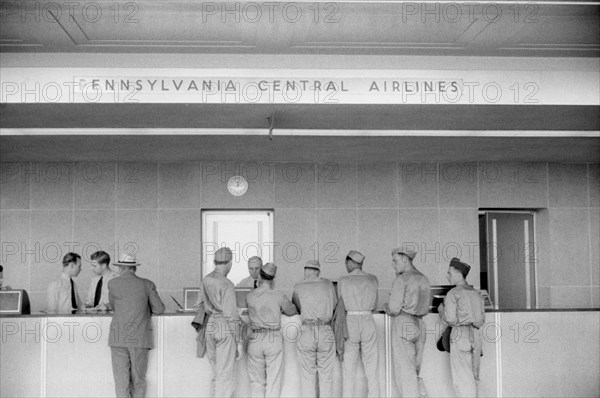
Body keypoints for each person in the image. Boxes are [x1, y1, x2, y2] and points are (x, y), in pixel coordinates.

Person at [108, 253, 165, 398]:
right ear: (135, 268)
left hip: (118, 337)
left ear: (121, 267)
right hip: (139, 337)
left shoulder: (113, 284)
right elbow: (159, 309)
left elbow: (114, 306)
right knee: (138, 379)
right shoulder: (147, 284)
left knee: (121, 381)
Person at [383, 246, 431, 398]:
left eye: (395, 260)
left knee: (405, 373)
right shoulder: (424, 278)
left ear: (405, 259)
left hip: (404, 323)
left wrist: (386, 305)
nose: (393, 264)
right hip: (420, 325)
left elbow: (394, 309)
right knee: (415, 369)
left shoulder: (401, 279)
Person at [245, 262, 298, 397]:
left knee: (256, 382)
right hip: (273, 338)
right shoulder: (279, 295)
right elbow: (292, 311)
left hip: (255, 339)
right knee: (273, 381)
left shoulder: (249, 296)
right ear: (273, 280)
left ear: (260, 277)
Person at [199, 247, 243, 398]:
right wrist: (238, 340)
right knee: (226, 375)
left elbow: (202, 305)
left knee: (216, 372)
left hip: (210, 325)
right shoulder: (227, 284)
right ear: (229, 263)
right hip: (224, 326)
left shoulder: (206, 279)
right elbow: (231, 315)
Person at [438, 258, 485, 398]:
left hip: (460, 335)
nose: (447, 276)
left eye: (449, 273)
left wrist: (441, 310)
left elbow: (450, 320)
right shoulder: (477, 293)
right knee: (474, 375)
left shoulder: (453, 293)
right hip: (476, 335)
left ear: (458, 274)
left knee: (462, 380)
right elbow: (482, 319)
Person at [292, 260, 337, 398]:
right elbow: (335, 304)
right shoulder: (329, 285)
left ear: (306, 271)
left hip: (307, 330)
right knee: (326, 376)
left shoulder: (298, 286)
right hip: (325, 330)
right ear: (319, 272)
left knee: (307, 376)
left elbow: (297, 306)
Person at [338, 250, 380, 398]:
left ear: (349, 262)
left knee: (349, 368)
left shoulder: (343, 280)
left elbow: (340, 304)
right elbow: (375, 304)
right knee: (372, 368)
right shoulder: (373, 279)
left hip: (351, 321)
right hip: (368, 319)